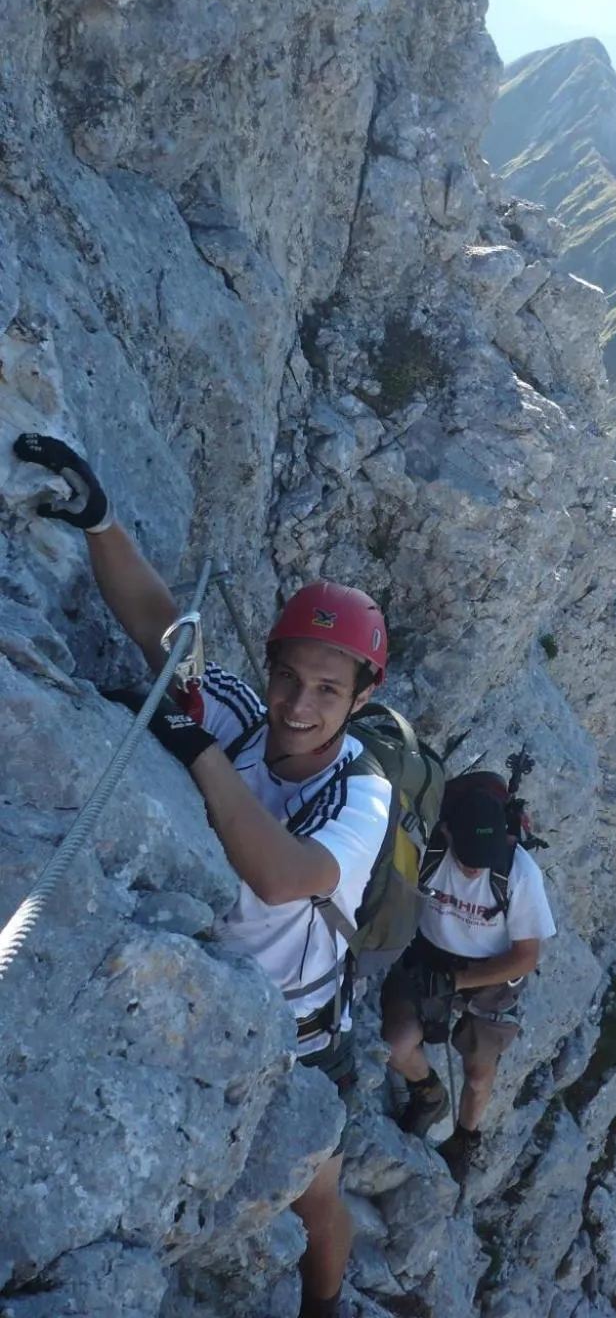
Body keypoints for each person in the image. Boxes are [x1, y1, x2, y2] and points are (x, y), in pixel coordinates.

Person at [13, 433, 390, 1318]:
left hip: (302, 1030)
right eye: (288, 678)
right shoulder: (245, 717)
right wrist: (100, 520)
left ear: (363, 700)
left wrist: (198, 754)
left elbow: (281, 874)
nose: (298, 706)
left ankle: (324, 1306)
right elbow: (156, 626)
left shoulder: (362, 797)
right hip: (208, 994)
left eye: (328, 693)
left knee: (317, 1193)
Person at [381, 773, 556, 1184]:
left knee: (478, 1075)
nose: (476, 871)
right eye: (467, 860)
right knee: (396, 1044)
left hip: (493, 974)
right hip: (427, 957)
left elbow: (526, 956)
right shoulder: (427, 849)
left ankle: (465, 1138)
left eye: (485, 858)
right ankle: (429, 1093)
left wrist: (456, 982)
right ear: (447, 831)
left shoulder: (519, 874)